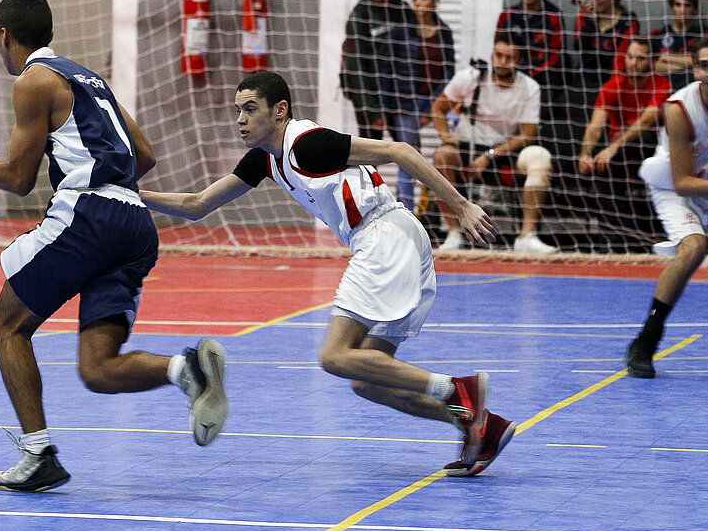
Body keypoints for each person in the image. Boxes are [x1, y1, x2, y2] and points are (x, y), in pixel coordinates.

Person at [0, 0, 228, 491]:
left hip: (91, 216)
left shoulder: (33, 81)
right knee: (97, 370)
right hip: (136, 225)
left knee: (9, 324)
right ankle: (188, 369)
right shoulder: (88, 77)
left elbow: (17, 179)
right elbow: (144, 156)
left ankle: (38, 455)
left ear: (4, 36)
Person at [140, 70, 515, 477]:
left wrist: (460, 206)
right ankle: (480, 425)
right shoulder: (266, 158)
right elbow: (197, 203)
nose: (240, 119)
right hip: (398, 242)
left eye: (250, 109)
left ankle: (458, 390)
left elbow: (400, 150)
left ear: (279, 110)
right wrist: (129, 194)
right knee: (366, 379)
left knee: (335, 357)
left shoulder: (307, 143)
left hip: (384, 238)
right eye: (238, 110)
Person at [431, 31, 557, 254]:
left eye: (509, 57)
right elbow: (439, 108)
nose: (502, 61)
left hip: (504, 149)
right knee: (442, 156)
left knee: (539, 156)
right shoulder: (470, 77)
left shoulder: (530, 87)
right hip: (468, 146)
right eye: (498, 55)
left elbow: (528, 134)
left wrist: (489, 155)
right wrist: (446, 137)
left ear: (519, 60)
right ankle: (454, 233)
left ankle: (527, 236)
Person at [628, 36, 708, 377]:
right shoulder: (679, 108)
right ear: (695, 68)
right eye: (705, 64)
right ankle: (646, 340)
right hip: (675, 186)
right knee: (694, 248)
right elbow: (683, 182)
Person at [578, 37, 670, 241]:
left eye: (641, 58)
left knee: (640, 140)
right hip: (615, 155)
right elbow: (596, 126)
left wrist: (614, 148)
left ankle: (635, 235)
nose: (633, 63)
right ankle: (612, 236)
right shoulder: (613, 85)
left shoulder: (661, 84)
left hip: (648, 150)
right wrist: (585, 154)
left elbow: (646, 121)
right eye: (630, 57)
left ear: (653, 61)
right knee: (599, 161)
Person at [385, 0, 455, 211]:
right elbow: (391, 70)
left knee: (453, 136)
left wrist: (434, 106)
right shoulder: (400, 32)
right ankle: (406, 211)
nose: (419, 3)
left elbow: (448, 70)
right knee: (408, 156)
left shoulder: (444, 33)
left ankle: (441, 207)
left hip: (434, 100)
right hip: (406, 103)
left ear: (434, 2)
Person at [341, 0, 416, 139]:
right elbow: (356, 67)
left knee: (409, 147)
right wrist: (372, 110)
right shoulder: (360, 15)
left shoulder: (403, 11)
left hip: (399, 94)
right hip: (369, 93)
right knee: (371, 150)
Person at [496, 0, 566, 118]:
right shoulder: (507, 15)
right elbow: (498, 49)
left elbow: (556, 55)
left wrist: (532, 74)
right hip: (512, 73)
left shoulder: (554, 16)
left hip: (543, 77)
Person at [650, 0, 708, 92]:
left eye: (687, 5)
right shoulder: (658, 35)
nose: (682, 10)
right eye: (678, 5)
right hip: (662, 91)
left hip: (694, 91)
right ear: (672, 7)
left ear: (694, 9)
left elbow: (704, 65)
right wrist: (689, 65)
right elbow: (652, 65)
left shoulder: (703, 35)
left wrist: (666, 58)